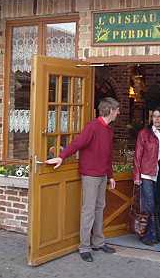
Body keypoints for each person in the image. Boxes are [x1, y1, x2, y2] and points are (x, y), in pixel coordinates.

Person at [45, 97, 120, 262]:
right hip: (90, 175)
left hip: (102, 175)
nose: (118, 113)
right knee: (88, 210)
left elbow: (107, 155)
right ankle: (84, 247)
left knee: (100, 208)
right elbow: (76, 144)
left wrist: (111, 176)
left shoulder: (108, 130)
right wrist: (61, 157)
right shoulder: (92, 127)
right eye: (117, 110)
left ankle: (98, 242)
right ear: (110, 110)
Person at [133, 108, 160, 246]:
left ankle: (158, 234)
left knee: (158, 202)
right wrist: (137, 176)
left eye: (159, 116)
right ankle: (148, 236)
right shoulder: (145, 133)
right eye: (154, 116)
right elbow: (137, 155)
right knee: (149, 204)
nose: (157, 119)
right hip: (146, 173)